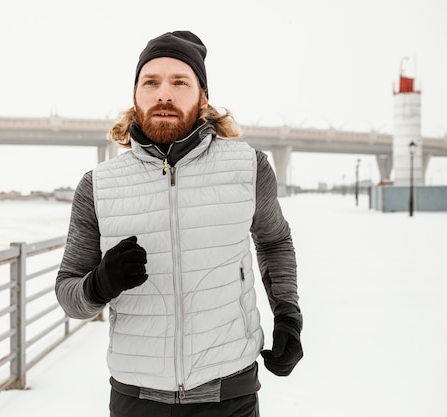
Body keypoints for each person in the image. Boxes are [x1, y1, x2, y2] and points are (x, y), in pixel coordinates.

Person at [56, 30, 302, 417]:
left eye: (179, 82)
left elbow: (274, 242)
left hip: (229, 394)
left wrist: (288, 314)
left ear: (203, 97)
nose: (164, 93)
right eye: (150, 82)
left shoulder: (249, 167)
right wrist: (99, 283)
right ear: (135, 96)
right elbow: (68, 293)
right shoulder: (98, 186)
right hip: (136, 398)